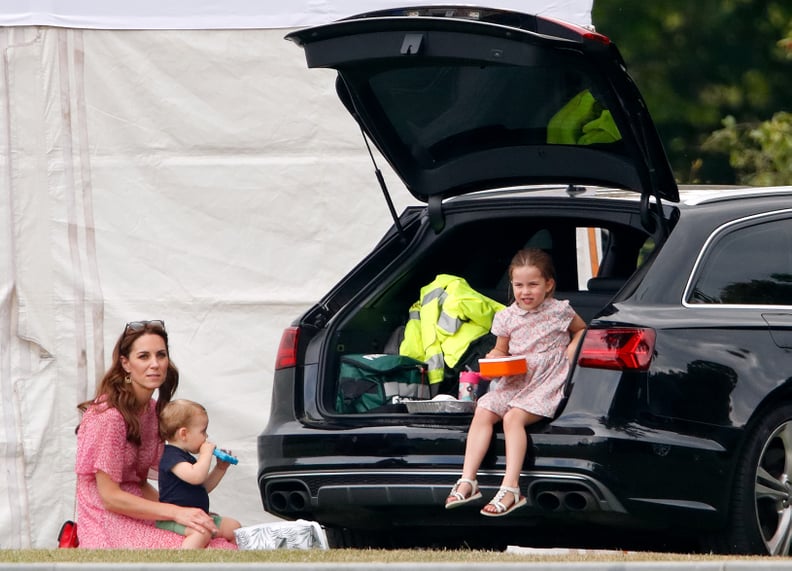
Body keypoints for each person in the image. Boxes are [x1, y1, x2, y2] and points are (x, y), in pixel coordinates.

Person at [444, 249, 587, 516]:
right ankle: (467, 480)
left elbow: (581, 329)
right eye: (519, 285)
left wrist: (572, 349)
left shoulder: (560, 310)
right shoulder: (506, 317)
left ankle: (511, 488)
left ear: (548, 285)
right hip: (516, 377)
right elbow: (501, 349)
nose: (525, 292)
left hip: (547, 379)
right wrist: (494, 358)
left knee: (512, 418)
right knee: (484, 409)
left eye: (533, 284)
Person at [74, 320, 236, 549]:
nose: (155, 364)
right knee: (207, 546)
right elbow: (110, 497)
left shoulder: (152, 411)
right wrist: (176, 513)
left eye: (161, 355)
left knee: (222, 536)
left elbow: (138, 482)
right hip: (106, 519)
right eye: (143, 356)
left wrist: (185, 513)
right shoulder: (109, 416)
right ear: (125, 364)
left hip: (141, 508)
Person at [156, 399, 241, 548]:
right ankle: (185, 562)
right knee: (201, 532)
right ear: (184, 434)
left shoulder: (187, 457)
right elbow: (196, 477)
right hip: (175, 519)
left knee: (234, 528)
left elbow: (202, 487)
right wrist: (206, 454)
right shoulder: (170, 456)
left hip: (199, 517)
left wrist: (220, 469)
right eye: (203, 431)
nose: (206, 437)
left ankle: (229, 558)